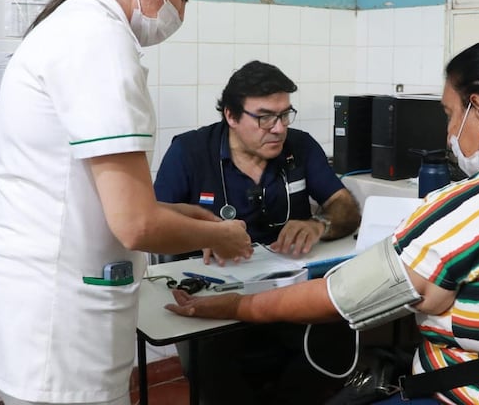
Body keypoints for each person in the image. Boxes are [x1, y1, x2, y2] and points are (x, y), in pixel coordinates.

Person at [167, 41, 479, 404]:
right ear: (232, 116)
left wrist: (234, 305)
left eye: (449, 115)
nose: (449, 133)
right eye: (263, 117)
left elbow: (343, 297)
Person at [0, 0, 253, 405]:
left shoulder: (72, 28)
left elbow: (76, 192)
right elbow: (135, 226)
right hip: (61, 327)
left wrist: (173, 213)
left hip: (37, 312)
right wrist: (224, 237)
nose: (182, 11)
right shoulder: (99, 44)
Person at [153, 59, 362, 403]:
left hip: (285, 290)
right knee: (219, 370)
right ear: (231, 117)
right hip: (214, 291)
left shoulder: (301, 146)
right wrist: (202, 235)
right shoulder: (189, 152)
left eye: (284, 115)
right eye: (265, 117)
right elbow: (156, 222)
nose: (278, 128)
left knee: (337, 336)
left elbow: (345, 207)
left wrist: (318, 224)